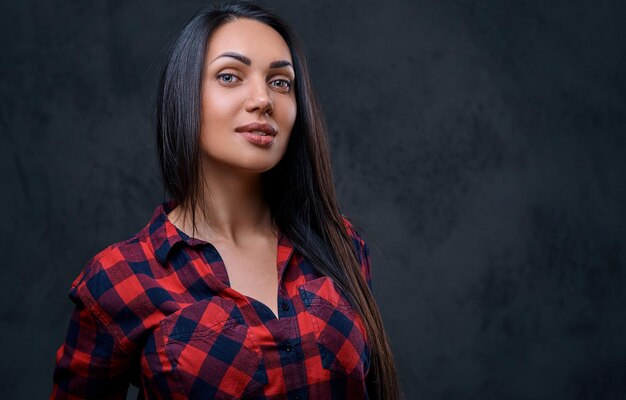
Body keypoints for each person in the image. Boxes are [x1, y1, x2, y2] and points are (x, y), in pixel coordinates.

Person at [51, 2, 400, 399]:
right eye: (230, 76)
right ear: (185, 96)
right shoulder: (120, 278)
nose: (263, 99)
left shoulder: (340, 244)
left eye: (281, 82)